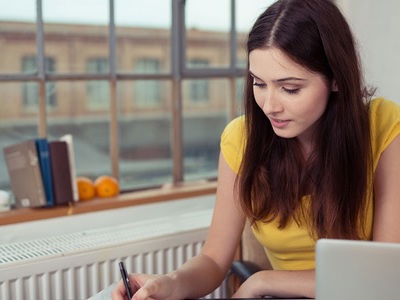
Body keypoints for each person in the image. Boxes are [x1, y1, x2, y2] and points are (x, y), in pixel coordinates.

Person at [112, 0, 400, 298]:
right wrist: (170, 282)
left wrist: (263, 281)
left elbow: (386, 271)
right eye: (259, 83)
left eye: (290, 88)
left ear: (336, 79)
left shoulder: (382, 126)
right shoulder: (241, 139)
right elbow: (213, 259)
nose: (270, 106)